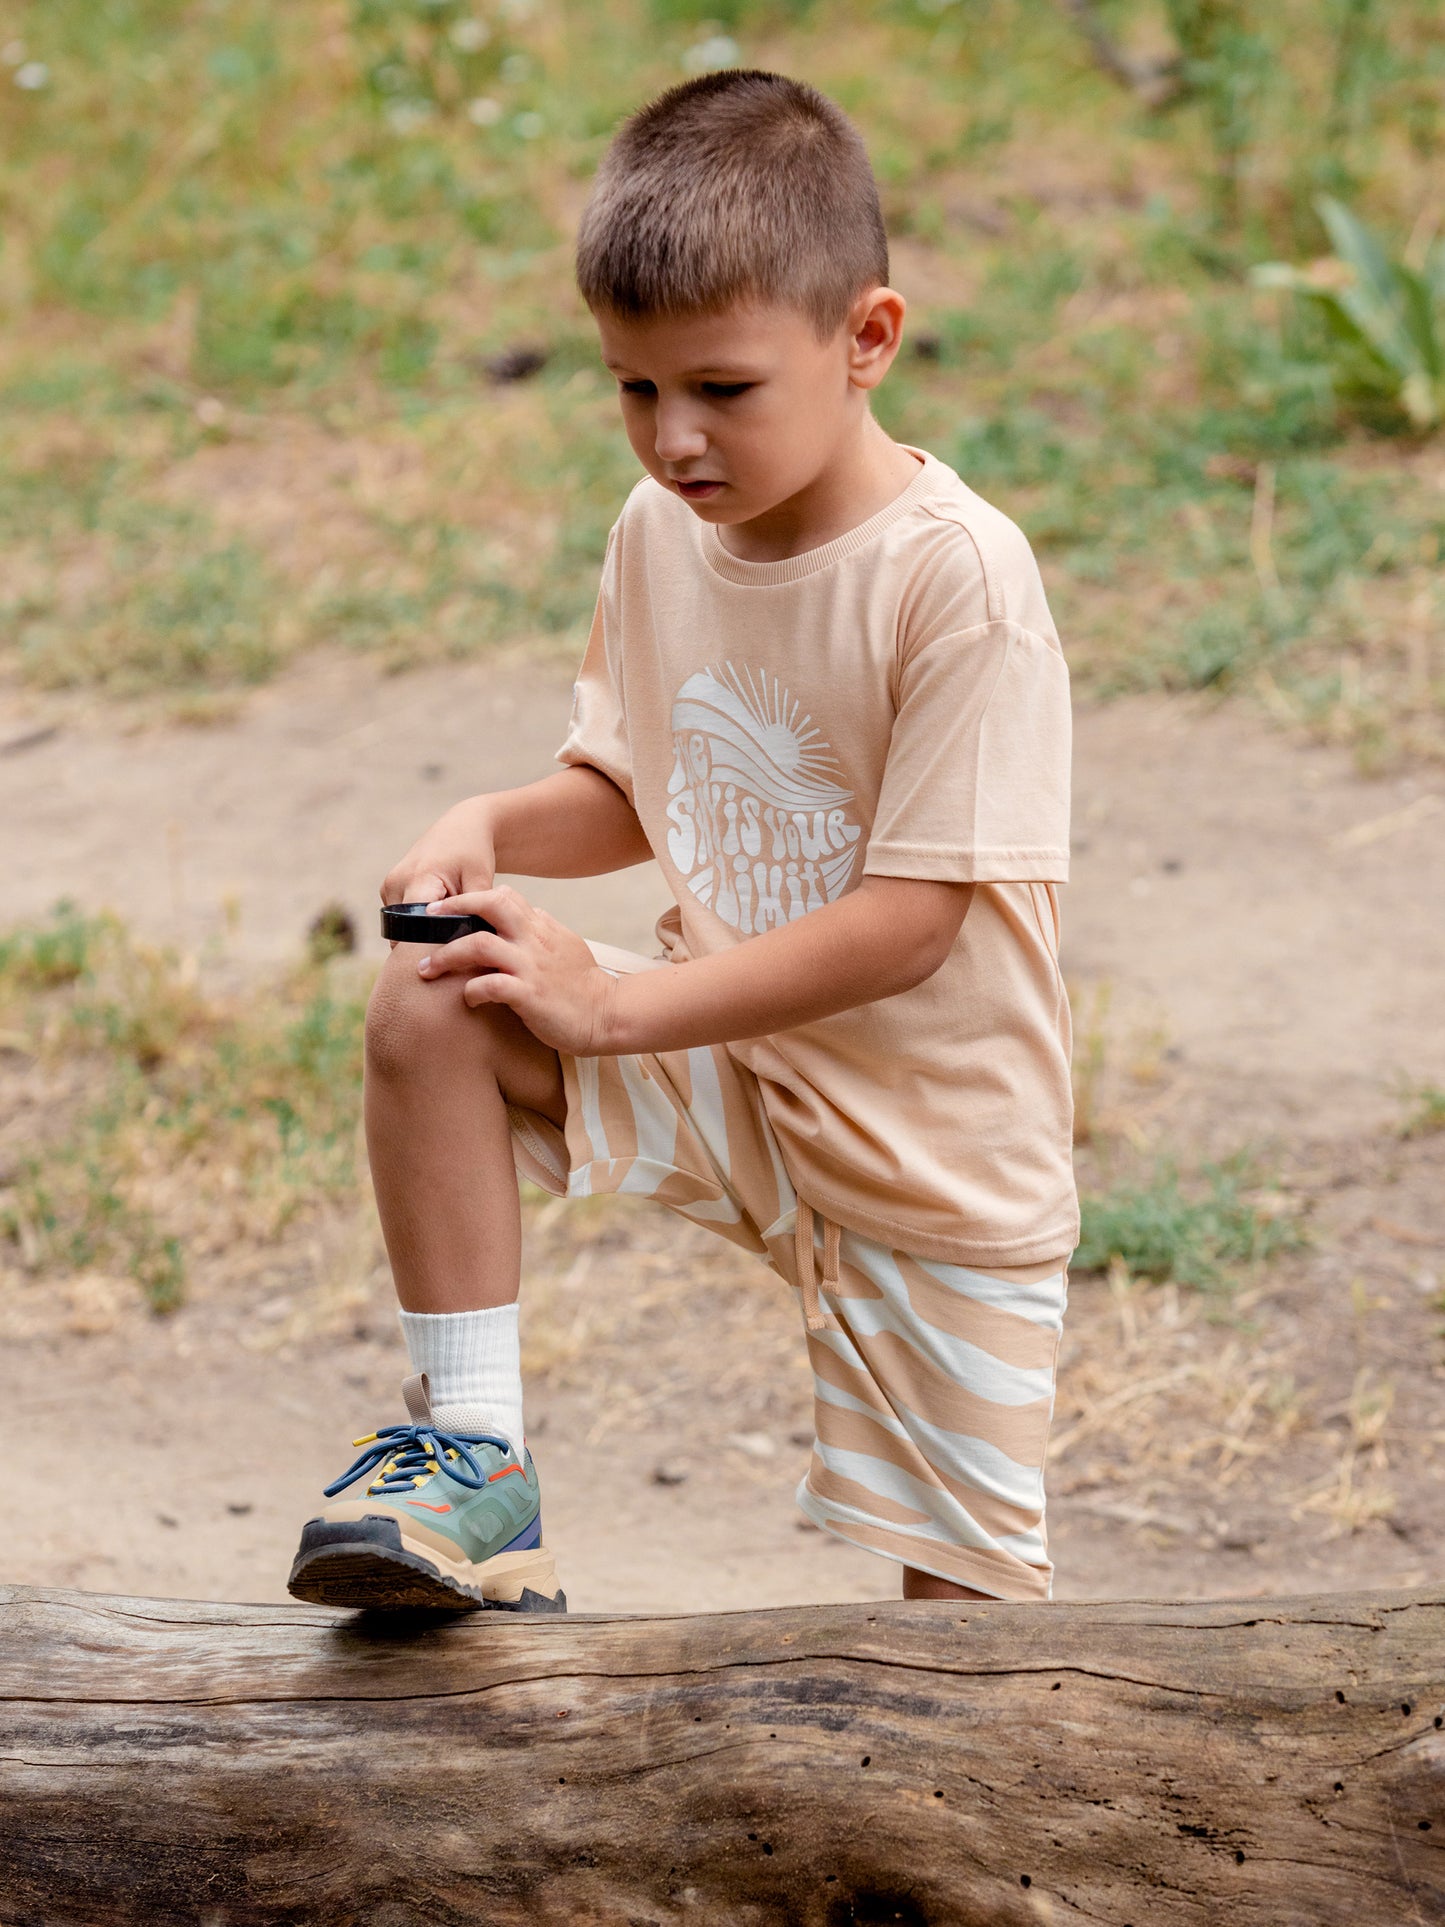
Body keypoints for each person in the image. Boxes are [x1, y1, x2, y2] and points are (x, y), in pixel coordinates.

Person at [286, 68, 1077, 1616]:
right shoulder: (660, 535)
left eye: (720, 387)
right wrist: (491, 821)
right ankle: (478, 1470)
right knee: (435, 996)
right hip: (733, 1067)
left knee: (966, 1658)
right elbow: (642, 785)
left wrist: (615, 1003)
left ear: (865, 340)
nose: (673, 438)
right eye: (634, 389)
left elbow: (914, 920)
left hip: (938, 1150)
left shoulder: (956, 580)